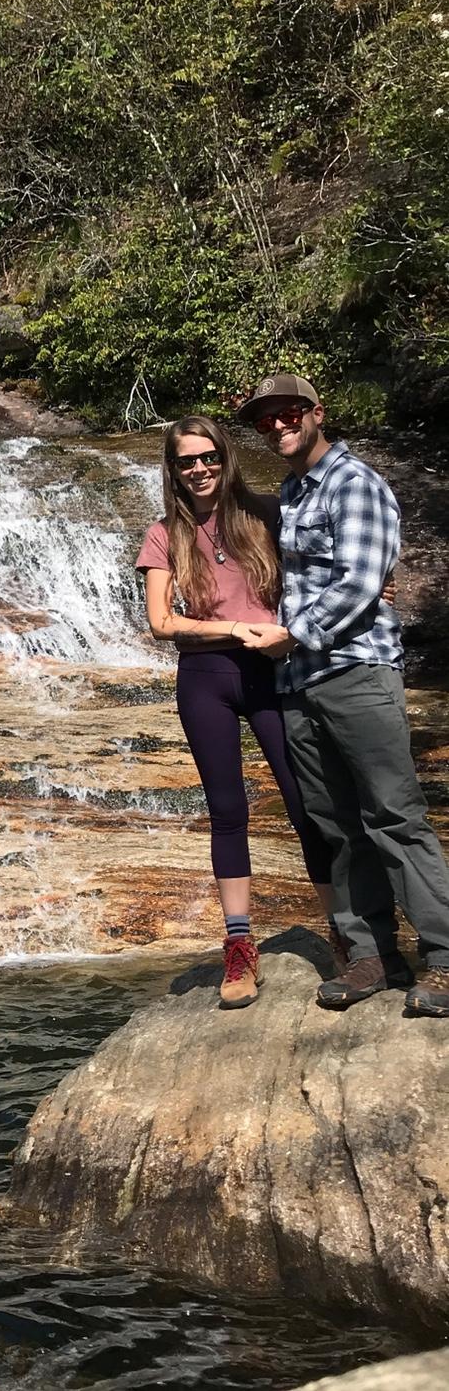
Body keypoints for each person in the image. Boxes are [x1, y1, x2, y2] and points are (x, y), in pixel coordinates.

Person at [236, 373, 449, 1015]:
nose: (277, 424)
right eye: (265, 418)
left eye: (289, 412)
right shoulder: (296, 492)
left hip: (356, 671)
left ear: (316, 413)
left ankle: (442, 958)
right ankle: (371, 956)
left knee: (394, 816)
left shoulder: (354, 483)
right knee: (335, 826)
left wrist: (289, 636)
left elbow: (361, 580)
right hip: (300, 683)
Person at [136, 415, 336, 1010]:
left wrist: (378, 587)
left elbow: (332, 563)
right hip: (206, 677)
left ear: (225, 459)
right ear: (172, 470)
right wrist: (237, 627)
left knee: (307, 806)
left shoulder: (267, 514)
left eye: (208, 458)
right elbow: (161, 624)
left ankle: (343, 934)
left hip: (274, 673)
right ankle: (240, 947)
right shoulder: (163, 533)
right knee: (228, 811)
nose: (199, 469)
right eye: (185, 461)